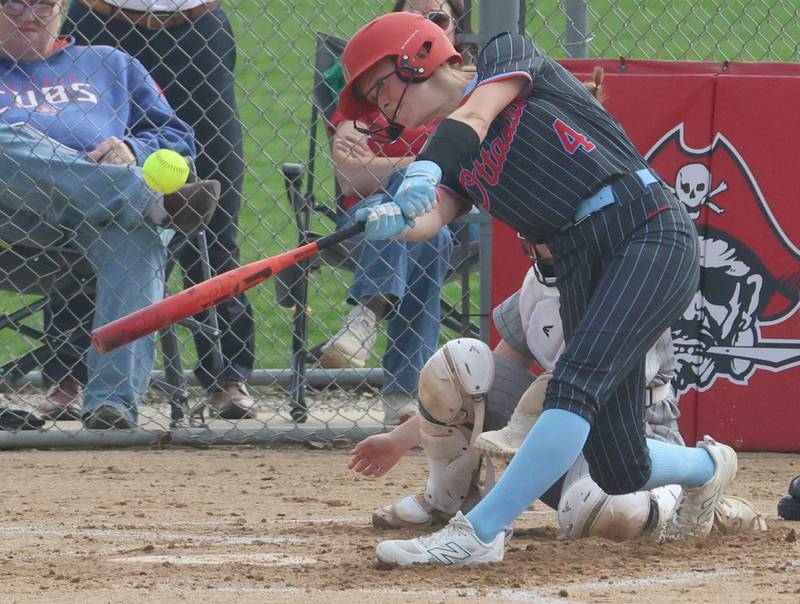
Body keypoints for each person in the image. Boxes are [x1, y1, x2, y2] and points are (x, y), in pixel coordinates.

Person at [338, 12, 739, 565]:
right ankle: (710, 467)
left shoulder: (506, 57)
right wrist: (393, 220)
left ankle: (479, 534)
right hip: (576, 263)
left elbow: (476, 115)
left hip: (643, 229)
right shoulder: (453, 156)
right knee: (616, 462)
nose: (382, 107)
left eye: (379, 86)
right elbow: (434, 214)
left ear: (418, 56)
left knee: (572, 386)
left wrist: (422, 172)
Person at [349, 261, 767, 542]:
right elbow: (485, 381)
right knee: (458, 363)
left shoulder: (627, 280)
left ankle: (698, 496)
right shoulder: (541, 281)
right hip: (556, 434)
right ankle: (446, 500)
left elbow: (593, 398)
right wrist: (401, 438)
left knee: (610, 514)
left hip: (628, 436)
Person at [0, 0, 219, 428]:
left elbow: (177, 137)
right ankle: (146, 198)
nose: (30, 12)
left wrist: (133, 149)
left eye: (43, 1)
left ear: (62, 7)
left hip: (100, 221)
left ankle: (111, 405)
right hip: (14, 220)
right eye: (14, 2)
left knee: (135, 238)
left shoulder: (110, 63)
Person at [60, 0, 256, 419]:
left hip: (195, 26)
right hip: (101, 23)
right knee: (81, 193)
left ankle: (226, 375)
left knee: (215, 210)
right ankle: (68, 376)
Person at [321, 0, 470, 425]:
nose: (424, 29)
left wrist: (399, 166)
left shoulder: (475, 97)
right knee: (423, 231)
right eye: (413, 18)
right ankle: (405, 396)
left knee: (431, 234)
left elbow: (369, 167)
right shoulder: (376, 81)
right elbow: (350, 179)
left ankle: (365, 314)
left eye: (437, 20)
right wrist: (426, 162)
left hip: (446, 220)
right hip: (365, 222)